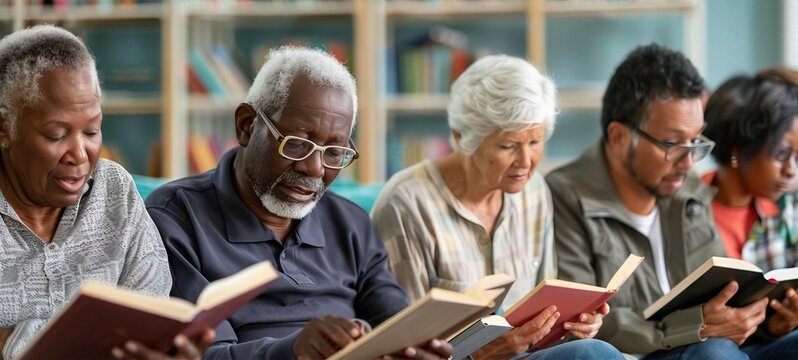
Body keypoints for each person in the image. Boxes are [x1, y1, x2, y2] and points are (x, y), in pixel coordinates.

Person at [145, 46, 452, 359]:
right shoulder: (175, 218)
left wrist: (417, 349)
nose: (315, 169)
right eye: (296, 145)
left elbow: (395, 325)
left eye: (334, 152)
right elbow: (200, 355)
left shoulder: (350, 224)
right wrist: (291, 350)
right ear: (247, 126)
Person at [371, 55, 623, 360]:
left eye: (536, 142)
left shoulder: (535, 193)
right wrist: (480, 355)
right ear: (462, 138)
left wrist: (571, 325)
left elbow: (544, 314)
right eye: (508, 146)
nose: (526, 162)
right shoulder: (405, 205)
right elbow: (402, 351)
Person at [546, 43, 777, 359]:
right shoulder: (564, 196)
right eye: (671, 143)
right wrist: (695, 327)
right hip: (640, 354)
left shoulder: (688, 188)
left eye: (695, 141)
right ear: (618, 137)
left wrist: (766, 323)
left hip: (708, 344)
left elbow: (726, 293)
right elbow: (584, 322)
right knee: (715, 353)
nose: (688, 162)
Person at [0, 25, 213, 359]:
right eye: (56, 135)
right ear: (5, 127)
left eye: (92, 130)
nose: (81, 154)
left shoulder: (113, 190)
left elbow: (152, 310)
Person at [701, 74, 798, 347]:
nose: (791, 170)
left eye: (797, 157)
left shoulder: (787, 209)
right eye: (781, 154)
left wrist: (781, 325)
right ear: (740, 149)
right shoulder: (686, 210)